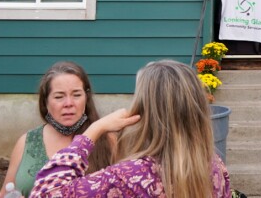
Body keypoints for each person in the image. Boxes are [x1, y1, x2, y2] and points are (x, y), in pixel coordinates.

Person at [30, 60, 231, 198]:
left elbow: (46, 193)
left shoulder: (132, 176)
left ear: (145, 110)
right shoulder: (214, 166)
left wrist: (93, 130)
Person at [0, 61, 113, 197]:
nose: (69, 104)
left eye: (76, 95)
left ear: (86, 98)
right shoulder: (27, 142)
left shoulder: (107, 140)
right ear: (45, 102)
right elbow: (4, 193)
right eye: (59, 97)